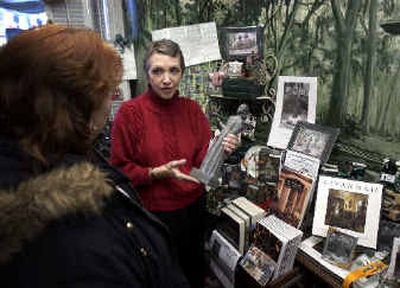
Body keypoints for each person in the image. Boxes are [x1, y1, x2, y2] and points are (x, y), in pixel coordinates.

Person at [0, 25, 189, 288]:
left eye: (174, 70)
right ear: (75, 103)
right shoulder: (77, 242)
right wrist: (154, 173)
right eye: (107, 92)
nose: (111, 101)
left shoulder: (67, 153)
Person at [110, 39, 238, 288]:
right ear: (147, 73)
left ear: (181, 72)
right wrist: (153, 173)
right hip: (154, 216)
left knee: (192, 272)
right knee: (161, 278)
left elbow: (202, 163)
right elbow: (117, 171)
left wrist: (220, 149)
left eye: (173, 70)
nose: (166, 79)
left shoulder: (192, 110)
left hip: (193, 209)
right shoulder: (130, 113)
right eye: (158, 70)